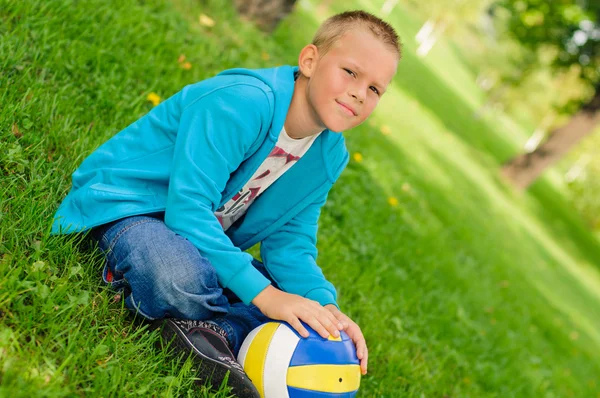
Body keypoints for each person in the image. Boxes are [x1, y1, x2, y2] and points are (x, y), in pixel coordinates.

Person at [52, 9, 400, 397]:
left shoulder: (329, 156)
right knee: (177, 276)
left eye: (374, 89)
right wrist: (267, 298)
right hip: (137, 209)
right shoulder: (245, 103)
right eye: (351, 72)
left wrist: (325, 309)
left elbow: (291, 244)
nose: (359, 92)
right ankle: (215, 323)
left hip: (200, 239)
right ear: (309, 61)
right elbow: (186, 210)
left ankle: (208, 334)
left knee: (299, 311)